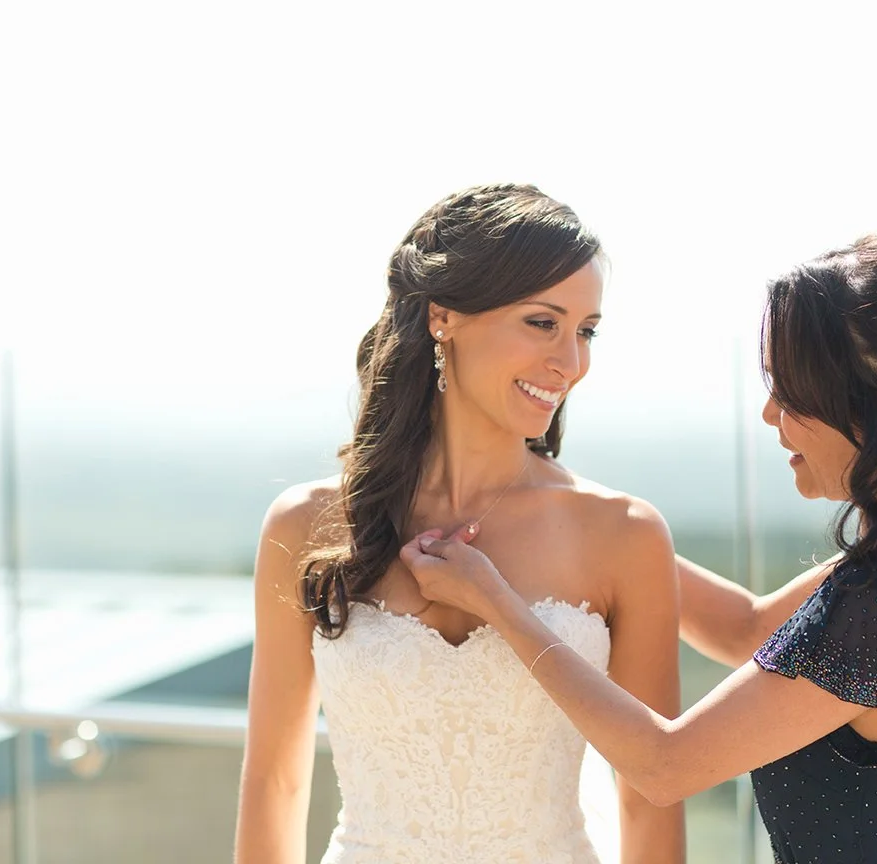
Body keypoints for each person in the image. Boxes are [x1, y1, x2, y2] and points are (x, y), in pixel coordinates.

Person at [403, 232, 877, 863]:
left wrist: (499, 603)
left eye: (791, 393)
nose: (769, 415)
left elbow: (664, 766)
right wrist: (591, 534)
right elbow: (748, 628)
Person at [235, 184, 686, 864]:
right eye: (543, 322)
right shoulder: (307, 525)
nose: (571, 362)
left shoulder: (624, 534)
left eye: (585, 331)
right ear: (443, 317)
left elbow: (649, 801)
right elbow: (275, 782)